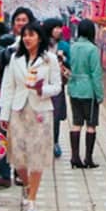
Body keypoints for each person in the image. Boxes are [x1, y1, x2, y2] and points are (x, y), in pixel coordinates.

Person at [0, 21, 62, 211]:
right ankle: (26, 184)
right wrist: (3, 114)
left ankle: (32, 198)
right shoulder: (15, 59)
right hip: (18, 109)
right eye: (25, 35)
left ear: (40, 38)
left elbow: (57, 86)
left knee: (37, 156)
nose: (27, 38)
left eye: (31, 35)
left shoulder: (49, 59)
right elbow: (7, 87)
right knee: (17, 156)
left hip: (40, 111)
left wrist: (42, 90)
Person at [0, 6, 35, 188]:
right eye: (18, 20)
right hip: (7, 94)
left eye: (24, 20)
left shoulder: (37, 44)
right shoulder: (6, 40)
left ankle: (19, 172)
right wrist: (12, 50)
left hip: (26, 97)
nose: (21, 24)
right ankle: (3, 173)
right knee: (4, 133)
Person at [67, 19, 104, 169]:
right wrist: (100, 94)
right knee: (91, 124)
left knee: (76, 123)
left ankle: (74, 157)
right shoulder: (92, 49)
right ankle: (88, 158)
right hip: (88, 90)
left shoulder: (73, 47)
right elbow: (96, 73)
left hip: (74, 88)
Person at [43, 18, 68, 158]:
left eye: (60, 27)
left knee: (56, 116)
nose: (59, 30)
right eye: (56, 27)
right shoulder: (41, 44)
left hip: (57, 86)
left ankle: (55, 142)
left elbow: (71, 64)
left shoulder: (63, 45)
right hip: (43, 85)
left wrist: (64, 59)